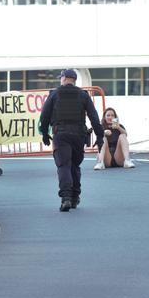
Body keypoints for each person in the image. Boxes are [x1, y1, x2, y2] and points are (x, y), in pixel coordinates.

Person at [39, 69, 105, 212]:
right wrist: (100, 137)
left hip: (61, 134)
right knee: (75, 165)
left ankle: (66, 198)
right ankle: (75, 197)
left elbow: (44, 116)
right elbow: (94, 117)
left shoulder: (55, 94)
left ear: (63, 78)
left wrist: (44, 133)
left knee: (64, 166)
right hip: (78, 135)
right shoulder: (83, 95)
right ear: (74, 80)